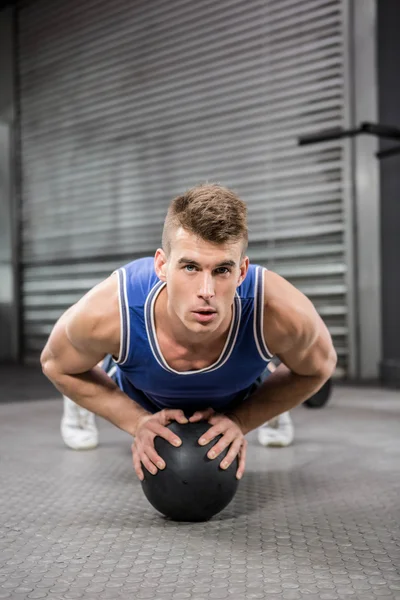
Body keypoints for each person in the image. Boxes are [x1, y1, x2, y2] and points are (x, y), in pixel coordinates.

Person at [41, 184, 336, 481]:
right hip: (141, 390)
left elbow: (319, 368)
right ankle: (87, 391)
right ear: (161, 265)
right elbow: (56, 365)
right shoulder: (111, 310)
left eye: (222, 270)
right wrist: (137, 422)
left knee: (273, 362)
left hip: (238, 391)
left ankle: (269, 397)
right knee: (78, 360)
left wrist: (242, 419)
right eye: (190, 267)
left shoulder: (278, 311)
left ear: (242, 271)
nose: (206, 292)